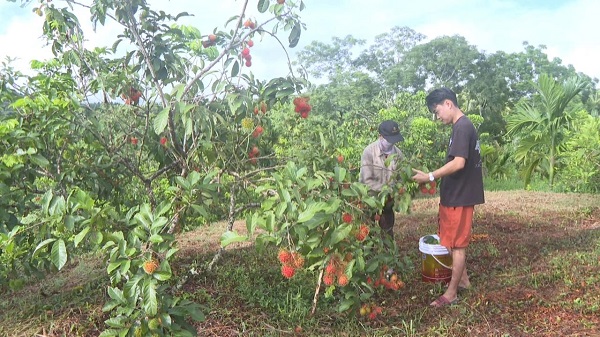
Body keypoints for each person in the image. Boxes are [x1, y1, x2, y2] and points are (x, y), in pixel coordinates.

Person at [412, 88, 484, 308]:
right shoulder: (460, 126)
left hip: (461, 196)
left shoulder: (463, 127)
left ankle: (451, 293)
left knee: (458, 245)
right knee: (450, 241)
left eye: (437, 111)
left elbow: (459, 162)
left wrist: (430, 176)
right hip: (454, 195)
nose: (437, 116)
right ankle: (463, 281)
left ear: (448, 104)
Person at [359, 120, 404, 238]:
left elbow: (401, 178)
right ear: (380, 136)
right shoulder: (369, 152)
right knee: (367, 231)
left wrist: (396, 190)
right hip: (370, 199)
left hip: (388, 200)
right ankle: (369, 254)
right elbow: (366, 181)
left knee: (387, 230)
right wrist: (385, 189)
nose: (391, 143)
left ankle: (389, 253)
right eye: (389, 140)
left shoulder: (398, 154)